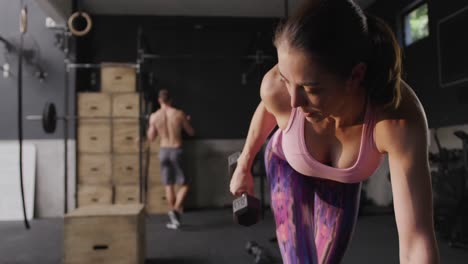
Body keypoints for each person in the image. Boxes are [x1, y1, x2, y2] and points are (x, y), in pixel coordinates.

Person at [229, 0, 440, 263]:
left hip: (341, 181)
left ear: (355, 76)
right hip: (288, 164)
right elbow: (267, 110)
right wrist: (244, 165)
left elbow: (416, 239)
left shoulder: (396, 119)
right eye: (286, 79)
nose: (294, 101)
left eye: (311, 88)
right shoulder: (276, 90)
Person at [147, 89, 195, 229]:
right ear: (171, 100)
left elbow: (151, 137)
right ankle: (175, 210)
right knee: (185, 184)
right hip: (176, 150)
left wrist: (153, 127)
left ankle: (174, 219)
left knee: (168, 185)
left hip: (163, 151)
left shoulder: (154, 116)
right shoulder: (179, 114)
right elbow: (191, 132)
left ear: (159, 101)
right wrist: (187, 121)